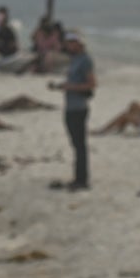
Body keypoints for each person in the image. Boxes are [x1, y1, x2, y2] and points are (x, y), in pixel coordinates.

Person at [48, 31, 96, 191]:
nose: (68, 45)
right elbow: (73, 80)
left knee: (80, 145)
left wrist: (71, 87)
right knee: (75, 143)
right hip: (70, 106)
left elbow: (91, 84)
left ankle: (82, 180)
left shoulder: (85, 60)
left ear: (79, 43)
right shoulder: (74, 59)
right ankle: (78, 177)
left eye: (71, 42)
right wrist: (60, 86)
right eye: (67, 42)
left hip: (79, 107)